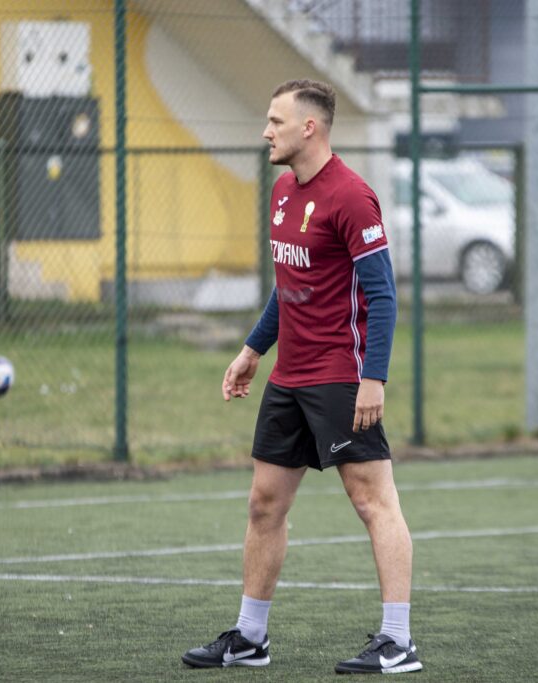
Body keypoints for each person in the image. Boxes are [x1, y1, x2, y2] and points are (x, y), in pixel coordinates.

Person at [181, 79, 421, 675]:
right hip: (288, 377)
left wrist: (374, 378)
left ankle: (398, 642)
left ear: (308, 127)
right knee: (264, 503)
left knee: (373, 501)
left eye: (275, 121)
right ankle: (250, 637)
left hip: (341, 376)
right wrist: (252, 349)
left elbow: (383, 296)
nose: (266, 131)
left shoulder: (353, 198)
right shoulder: (283, 191)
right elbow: (290, 285)